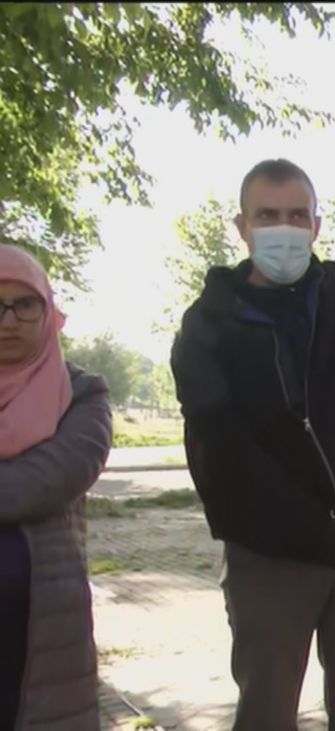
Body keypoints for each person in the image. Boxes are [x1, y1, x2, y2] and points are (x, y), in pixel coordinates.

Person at [170, 153, 335, 730]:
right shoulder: (208, 327)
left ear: (318, 226)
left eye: (298, 215)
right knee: (268, 713)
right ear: (241, 226)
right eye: (267, 215)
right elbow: (224, 467)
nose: (284, 229)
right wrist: (327, 541)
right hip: (269, 555)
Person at [0, 244, 112, 730]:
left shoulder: (82, 394)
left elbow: (47, 480)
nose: (9, 320)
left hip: (42, 625)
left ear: (49, 310)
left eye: (26, 304)